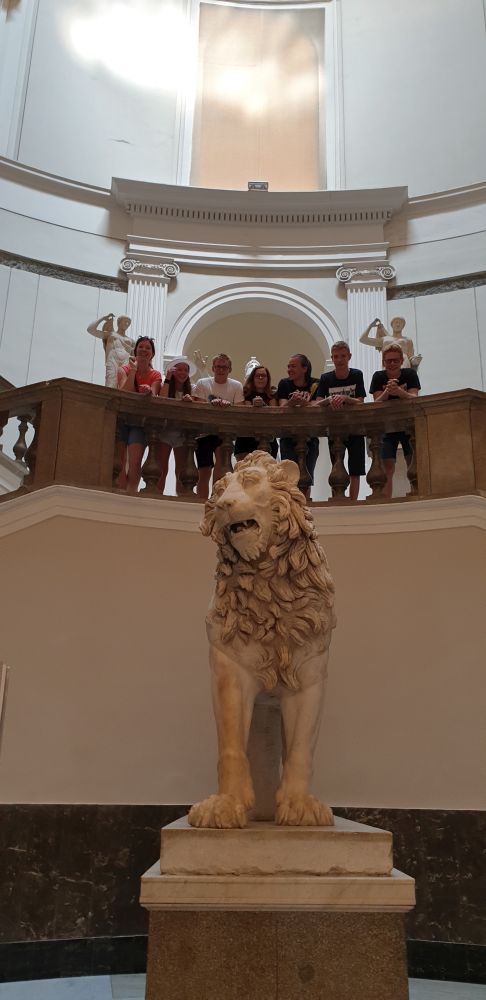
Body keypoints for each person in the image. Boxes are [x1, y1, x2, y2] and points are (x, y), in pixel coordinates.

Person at [314, 341, 365, 501]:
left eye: (343, 356)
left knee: (356, 467)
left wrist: (345, 398)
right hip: (334, 428)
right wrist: (330, 399)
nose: (339, 360)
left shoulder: (356, 375)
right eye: (336, 356)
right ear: (332, 358)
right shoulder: (326, 378)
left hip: (355, 427)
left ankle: (353, 500)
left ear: (349, 356)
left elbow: (360, 401)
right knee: (336, 464)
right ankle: (338, 497)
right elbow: (317, 403)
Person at [370, 343, 420, 499]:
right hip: (387, 426)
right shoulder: (378, 376)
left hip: (408, 424)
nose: (392, 364)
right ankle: (386, 499)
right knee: (387, 466)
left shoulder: (410, 374)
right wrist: (387, 392)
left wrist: (399, 391)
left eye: (395, 360)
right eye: (388, 361)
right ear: (383, 361)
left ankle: (417, 493)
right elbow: (376, 402)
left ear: (401, 361)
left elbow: (414, 397)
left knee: (412, 461)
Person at [192, 353, 244, 499]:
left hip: (224, 433)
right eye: (218, 367)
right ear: (213, 368)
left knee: (221, 468)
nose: (221, 370)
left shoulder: (236, 386)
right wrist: (211, 405)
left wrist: (229, 406)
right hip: (204, 432)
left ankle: (215, 500)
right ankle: (202, 501)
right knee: (204, 471)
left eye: (224, 367)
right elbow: (198, 406)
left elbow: (240, 409)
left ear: (230, 369)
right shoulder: (203, 383)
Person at [117, 337, 162, 494]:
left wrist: (149, 391)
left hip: (140, 422)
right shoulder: (124, 369)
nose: (144, 350)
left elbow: (154, 395)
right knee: (120, 460)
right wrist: (133, 371)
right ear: (135, 350)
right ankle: (121, 492)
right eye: (141, 347)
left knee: (135, 462)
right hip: (122, 419)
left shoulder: (155, 375)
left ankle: (131, 493)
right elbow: (124, 392)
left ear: (152, 354)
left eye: (148, 348)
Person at [276, 354, 320, 497]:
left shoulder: (315, 384)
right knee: (289, 475)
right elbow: (282, 407)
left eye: (293, 366)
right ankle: (291, 504)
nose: (289, 369)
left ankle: (305, 504)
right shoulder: (284, 384)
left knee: (307, 476)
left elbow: (318, 406)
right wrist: (292, 402)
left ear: (304, 368)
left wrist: (303, 402)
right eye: (288, 366)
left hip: (310, 436)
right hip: (288, 436)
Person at [157, 357, 195, 495]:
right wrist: (168, 378)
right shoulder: (166, 385)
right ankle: (158, 495)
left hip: (182, 434)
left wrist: (190, 401)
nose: (182, 373)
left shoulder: (192, 389)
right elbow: (162, 399)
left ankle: (180, 496)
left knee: (181, 469)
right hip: (165, 431)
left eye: (185, 370)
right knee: (162, 468)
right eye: (179, 369)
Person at [234, 365, 278, 461]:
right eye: (257, 376)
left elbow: (274, 414)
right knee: (245, 468)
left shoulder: (272, 394)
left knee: (267, 468)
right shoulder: (245, 392)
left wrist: (263, 405)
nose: (260, 378)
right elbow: (246, 414)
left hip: (268, 436)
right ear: (252, 378)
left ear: (268, 378)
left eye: (263, 375)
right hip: (246, 437)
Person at [87, 313, 135, 388]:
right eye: (125, 321)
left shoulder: (131, 340)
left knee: (123, 385)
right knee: (111, 382)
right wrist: (103, 318)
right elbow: (90, 330)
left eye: (128, 323)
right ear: (119, 322)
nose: (126, 324)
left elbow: (135, 356)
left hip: (125, 361)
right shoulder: (111, 334)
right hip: (112, 360)